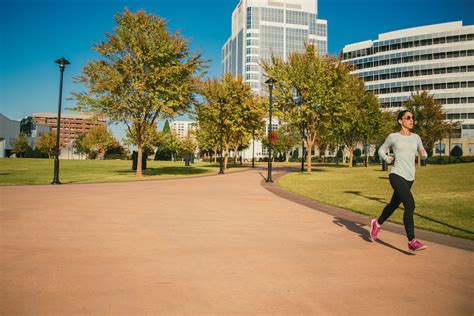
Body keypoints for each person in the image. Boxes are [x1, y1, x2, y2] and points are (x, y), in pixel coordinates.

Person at [370, 110, 428, 251]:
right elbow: (381, 150)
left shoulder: (416, 137)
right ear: (400, 121)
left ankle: (377, 223)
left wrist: (424, 154)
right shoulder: (393, 137)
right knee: (410, 205)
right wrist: (386, 158)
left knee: (394, 204)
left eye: (412, 118)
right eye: (408, 118)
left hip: (410, 177)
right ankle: (412, 241)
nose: (411, 120)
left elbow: (422, 151)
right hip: (396, 174)